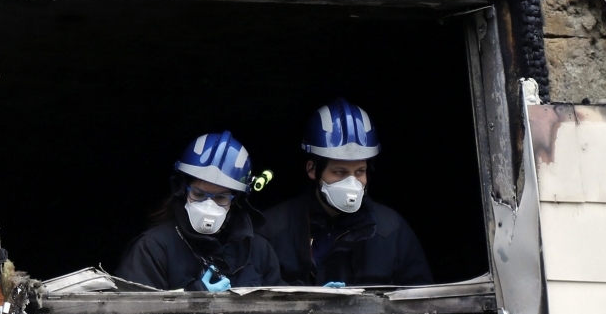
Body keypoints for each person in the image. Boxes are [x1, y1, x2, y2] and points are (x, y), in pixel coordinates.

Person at [256, 99, 433, 287]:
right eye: (339, 172)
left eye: (360, 171)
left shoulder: (391, 230)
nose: (352, 182)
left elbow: (420, 298)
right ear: (312, 170)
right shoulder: (273, 230)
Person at [114, 130, 280, 291]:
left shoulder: (258, 251)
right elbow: (132, 312)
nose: (208, 205)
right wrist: (191, 298)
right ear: (183, 190)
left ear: (236, 200)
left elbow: (281, 311)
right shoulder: (153, 249)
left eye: (220, 198)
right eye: (199, 194)